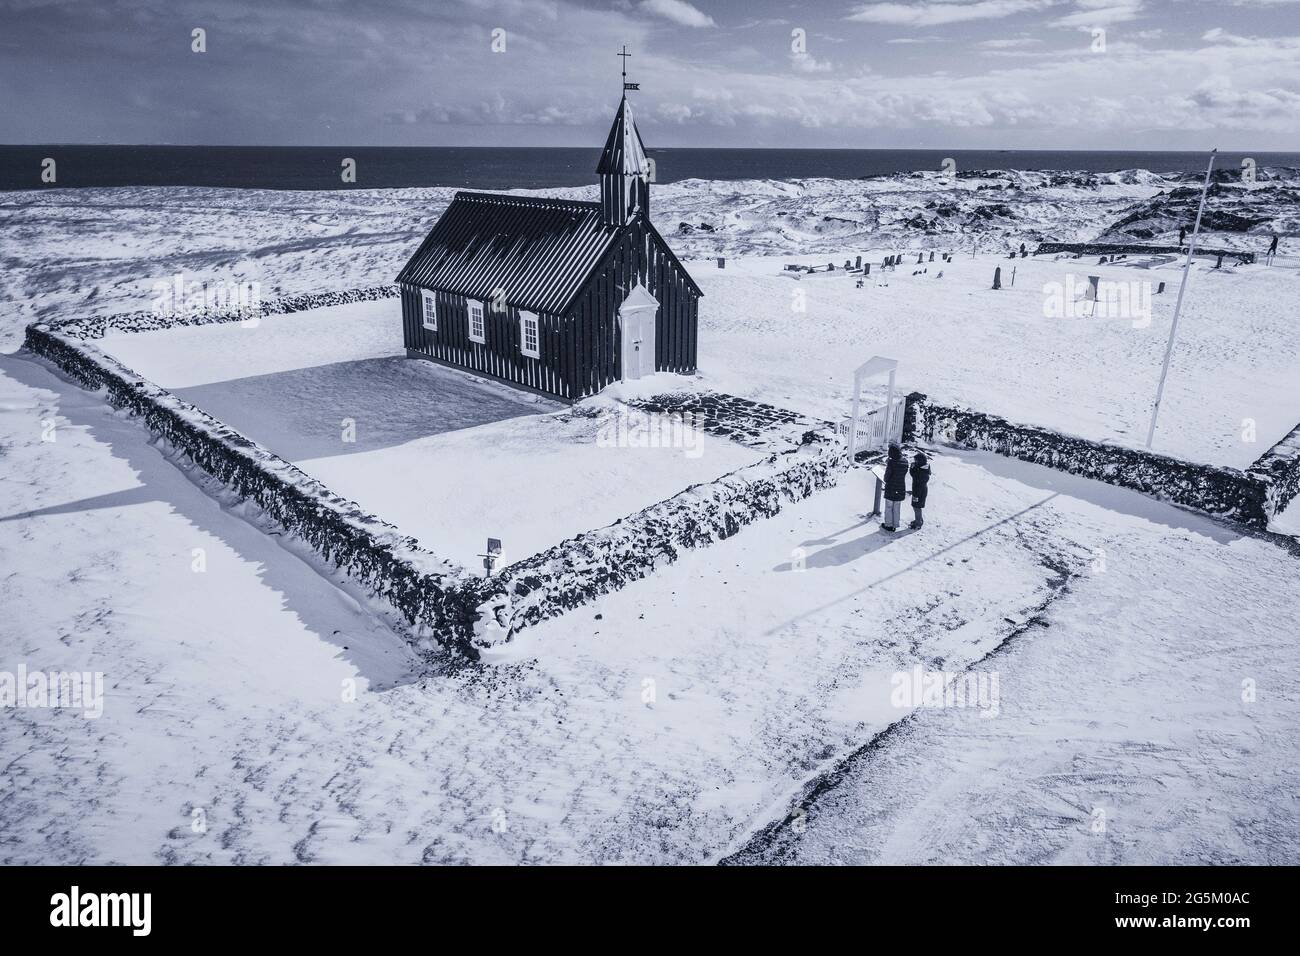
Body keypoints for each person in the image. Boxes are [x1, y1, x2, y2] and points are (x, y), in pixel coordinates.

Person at [881, 443, 908, 532]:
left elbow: (886, 477)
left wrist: (889, 463)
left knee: (889, 507)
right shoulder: (905, 461)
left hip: (891, 487)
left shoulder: (891, 463)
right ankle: (895, 524)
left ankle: (888, 524)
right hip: (900, 487)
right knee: (897, 507)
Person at [909, 451, 931, 529]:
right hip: (920, 490)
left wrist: (912, 468)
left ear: (920, 461)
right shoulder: (923, 468)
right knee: (917, 506)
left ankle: (918, 523)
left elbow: (914, 476)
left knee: (916, 506)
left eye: (916, 461)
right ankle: (919, 520)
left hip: (918, 492)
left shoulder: (921, 471)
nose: (915, 462)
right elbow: (914, 475)